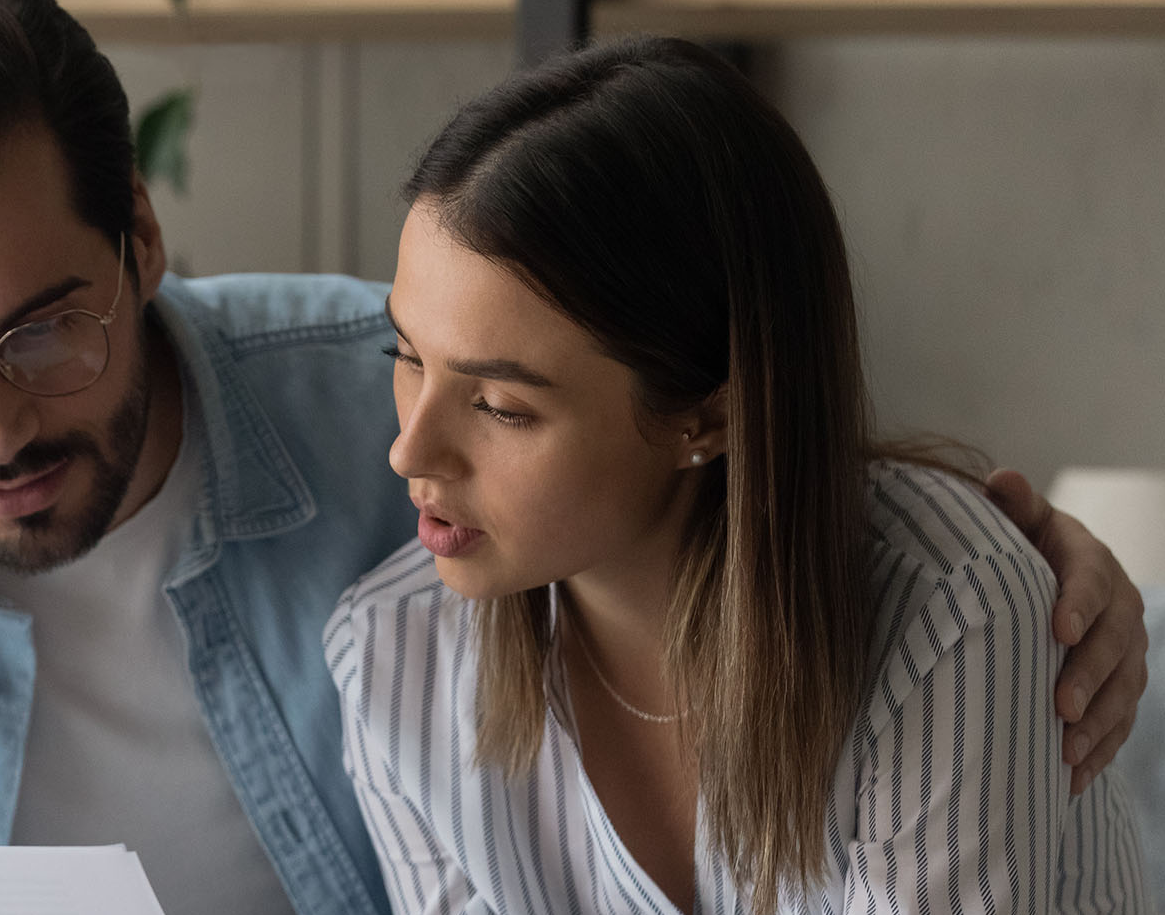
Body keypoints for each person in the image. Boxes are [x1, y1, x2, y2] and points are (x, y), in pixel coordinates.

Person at [0, 2, 1147, 913]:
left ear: (142, 237)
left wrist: (1011, 548)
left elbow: (707, 427)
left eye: (44, 327)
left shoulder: (368, 394)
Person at [324, 36, 1149, 915]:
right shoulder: (391, 655)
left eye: (498, 405)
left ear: (708, 414)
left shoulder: (949, 619)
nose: (410, 450)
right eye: (405, 355)